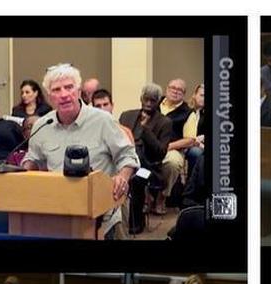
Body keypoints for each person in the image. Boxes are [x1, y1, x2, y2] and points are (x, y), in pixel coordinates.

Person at [23, 64, 138, 239]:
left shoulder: (103, 120)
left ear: (78, 91)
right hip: (58, 213)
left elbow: (127, 156)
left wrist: (122, 177)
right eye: (56, 90)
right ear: (49, 96)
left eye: (69, 87)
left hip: (102, 216)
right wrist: (23, 171)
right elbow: (33, 159)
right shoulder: (42, 126)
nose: (64, 94)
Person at [119, 83, 174, 223]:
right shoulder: (126, 116)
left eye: (153, 100)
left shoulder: (165, 122)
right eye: (146, 99)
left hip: (149, 169)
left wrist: (145, 130)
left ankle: (135, 222)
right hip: (124, 163)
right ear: (141, 98)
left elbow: (160, 153)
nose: (148, 103)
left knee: (137, 179)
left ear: (159, 101)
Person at [158, 79, 193, 208]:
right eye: (173, 88)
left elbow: (190, 140)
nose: (175, 91)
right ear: (167, 89)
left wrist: (168, 147)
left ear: (184, 94)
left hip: (172, 149)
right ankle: (146, 197)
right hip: (150, 147)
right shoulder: (155, 104)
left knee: (172, 163)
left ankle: (162, 196)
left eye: (180, 90)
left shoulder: (188, 112)